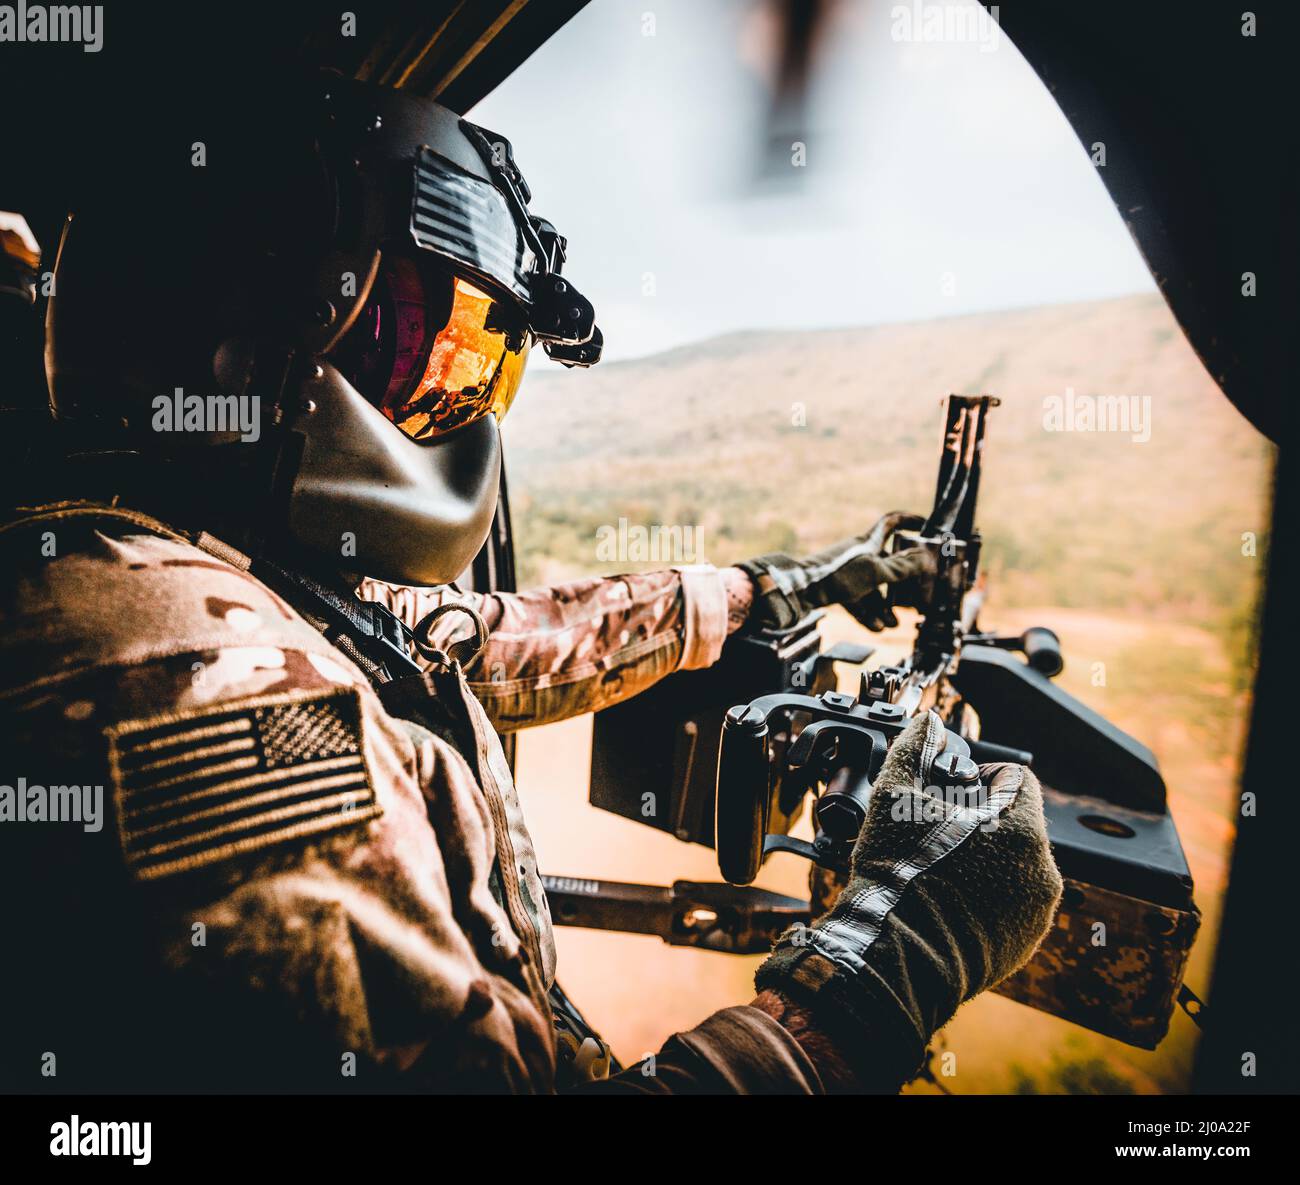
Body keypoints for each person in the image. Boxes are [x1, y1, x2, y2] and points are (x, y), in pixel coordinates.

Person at [0, 72, 1061, 1094]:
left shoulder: (192, 571)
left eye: (485, 371)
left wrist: (781, 587)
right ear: (250, 332)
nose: (466, 413)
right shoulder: (191, 674)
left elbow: (501, 639)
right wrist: (876, 979)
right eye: (441, 353)